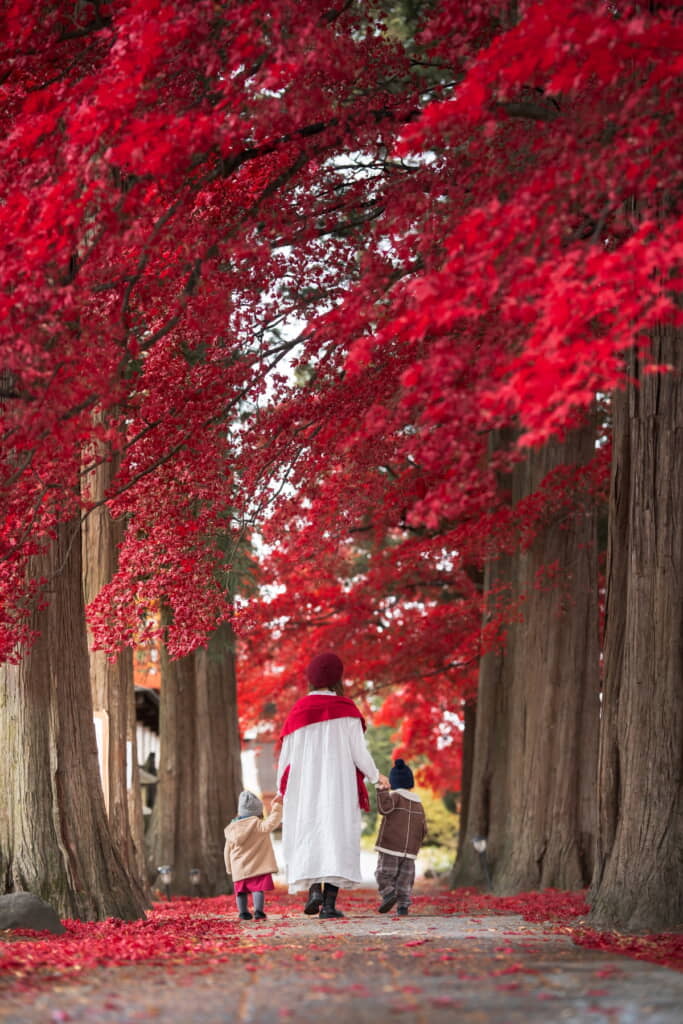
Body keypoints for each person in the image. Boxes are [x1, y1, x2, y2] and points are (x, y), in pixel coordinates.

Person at [277, 652, 390, 919]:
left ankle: (314, 891)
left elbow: (286, 758)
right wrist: (376, 776)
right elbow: (358, 753)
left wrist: (282, 791)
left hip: (305, 788)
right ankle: (328, 905)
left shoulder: (298, 712)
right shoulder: (347, 710)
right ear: (338, 678)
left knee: (311, 835)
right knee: (337, 838)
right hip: (338, 787)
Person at [374, 758, 427, 916]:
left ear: (394, 782)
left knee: (383, 874)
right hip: (410, 851)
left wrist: (382, 791)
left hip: (391, 846)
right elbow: (423, 828)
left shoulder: (395, 797)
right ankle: (403, 906)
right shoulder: (418, 804)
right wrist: (415, 845)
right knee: (405, 880)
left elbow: (384, 809)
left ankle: (389, 893)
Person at [224, 789, 282, 921]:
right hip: (257, 866)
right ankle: (258, 912)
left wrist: (229, 868)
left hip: (239, 867)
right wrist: (277, 806)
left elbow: (227, 850)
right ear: (257, 812)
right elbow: (272, 822)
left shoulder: (231, 828)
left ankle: (243, 913)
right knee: (257, 890)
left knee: (241, 892)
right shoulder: (258, 825)